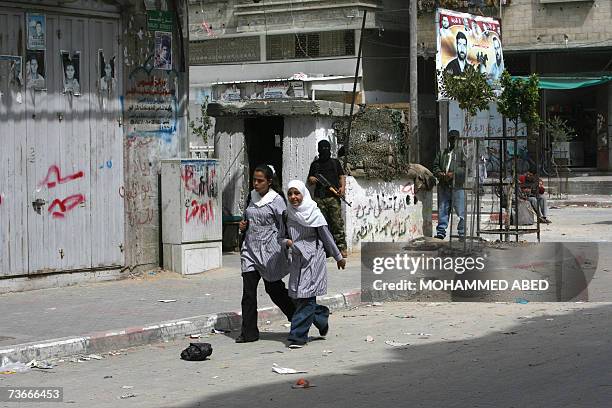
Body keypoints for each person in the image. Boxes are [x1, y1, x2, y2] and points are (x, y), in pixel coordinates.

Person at [282, 180, 346, 348]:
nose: (293, 197)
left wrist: (338, 256)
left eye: (297, 193)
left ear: (304, 194)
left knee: (306, 297)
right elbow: (280, 236)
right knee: (297, 296)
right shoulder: (287, 214)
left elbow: (326, 236)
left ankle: (297, 336)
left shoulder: (314, 213)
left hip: (314, 258)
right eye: (290, 194)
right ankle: (321, 315)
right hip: (297, 258)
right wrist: (287, 242)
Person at [237, 164, 296, 343]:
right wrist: (242, 227)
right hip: (250, 249)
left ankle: (300, 317)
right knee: (248, 292)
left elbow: (286, 224)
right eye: (254, 180)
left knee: (274, 289)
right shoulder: (251, 197)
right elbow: (247, 218)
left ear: (269, 182)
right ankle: (249, 333)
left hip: (270, 251)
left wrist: (289, 245)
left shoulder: (276, 200)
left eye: (260, 180)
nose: (256, 184)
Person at [307, 140, 347, 257]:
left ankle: (341, 248)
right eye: (322, 149)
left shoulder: (335, 163)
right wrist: (313, 179)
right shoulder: (315, 165)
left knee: (337, 224)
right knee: (321, 225)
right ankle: (324, 249)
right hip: (319, 198)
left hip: (333, 198)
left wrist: (342, 188)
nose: (325, 151)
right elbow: (310, 181)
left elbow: (341, 176)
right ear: (319, 150)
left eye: (326, 149)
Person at [432, 130, 466, 240]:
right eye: (451, 139)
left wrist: (454, 174)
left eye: (455, 139)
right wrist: (441, 174)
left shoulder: (462, 153)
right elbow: (435, 166)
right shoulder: (442, 153)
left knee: (460, 211)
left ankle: (461, 233)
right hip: (444, 185)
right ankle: (441, 232)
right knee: (443, 209)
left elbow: (466, 168)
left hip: (457, 186)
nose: (453, 141)